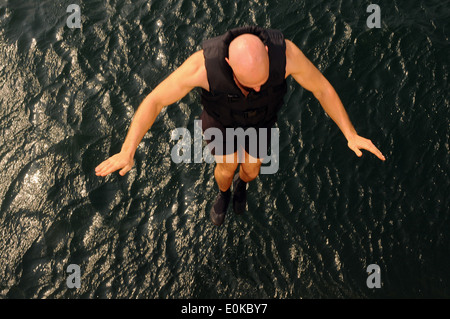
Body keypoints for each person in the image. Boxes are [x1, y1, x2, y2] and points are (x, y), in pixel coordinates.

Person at [95, 26, 385, 226]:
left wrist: (350, 133)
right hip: (222, 124)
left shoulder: (287, 56)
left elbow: (321, 88)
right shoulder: (202, 67)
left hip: (259, 122)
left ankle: (242, 187)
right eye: (251, 83)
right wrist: (127, 149)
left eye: (264, 79)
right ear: (228, 65)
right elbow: (155, 100)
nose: (260, 86)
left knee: (252, 169)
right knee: (226, 166)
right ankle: (223, 194)